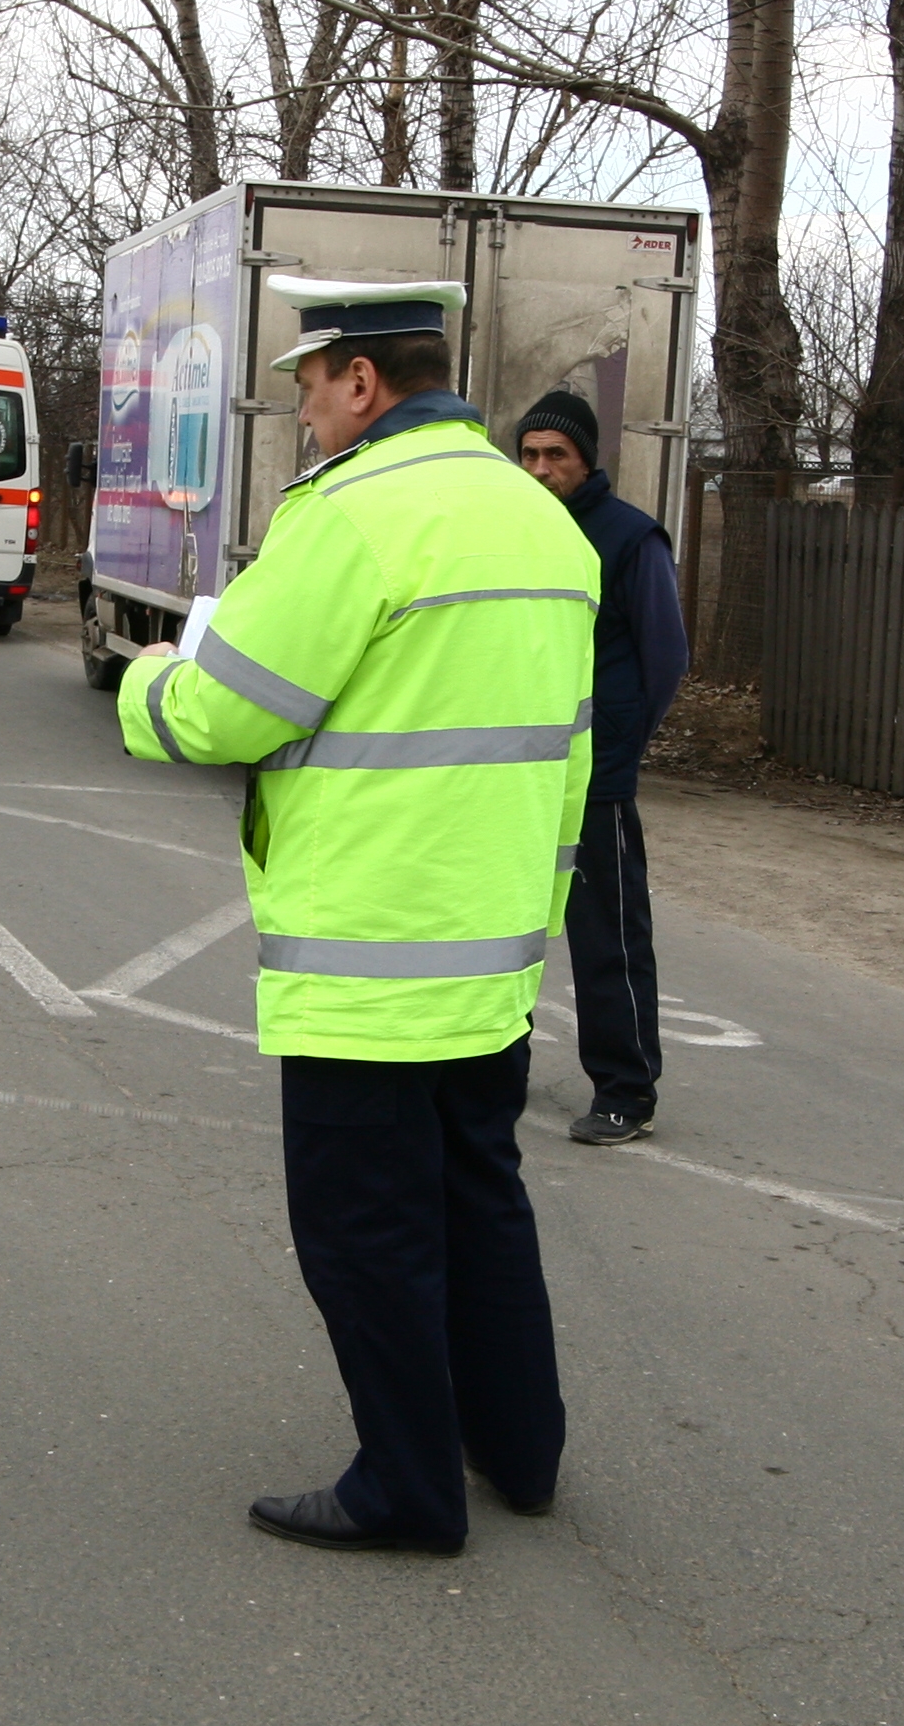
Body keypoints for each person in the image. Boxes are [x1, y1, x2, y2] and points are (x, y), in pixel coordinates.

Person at [121, 276, 597, 1555]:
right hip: (490, 954)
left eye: (309, 388)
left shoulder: (349, 517)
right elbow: (572, 760)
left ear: (361, 381)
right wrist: (535, 915)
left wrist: (150, 680)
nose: (306, 413)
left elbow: (227, 711)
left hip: (366, 963)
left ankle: (407, 1486)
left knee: (364, 1236)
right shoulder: (545, 523)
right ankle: (521, 1451)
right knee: (480, 1203)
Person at [511, 389, 688, 1146]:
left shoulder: (629, 538)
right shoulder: (514, 533)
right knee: (508, 931)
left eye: (558, 455)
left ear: (587, 461)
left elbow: (665, 658)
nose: (542, 469)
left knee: (608, 937)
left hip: (595, 780)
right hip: (518, 770)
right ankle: (496, 1069)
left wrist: (618, 747)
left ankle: (625, 1090)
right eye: (530, 454)